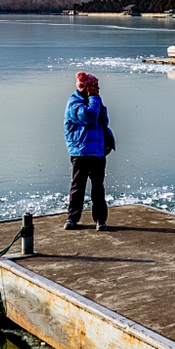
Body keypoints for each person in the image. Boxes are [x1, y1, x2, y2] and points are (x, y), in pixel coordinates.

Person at [63, 71, 114, 231]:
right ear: (87, 88)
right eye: (95, 86)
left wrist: (95, 100)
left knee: (98, 187)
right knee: (78, 187)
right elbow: (89, 116)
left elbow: (104, 120)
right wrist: (94, 98)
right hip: (81, 152)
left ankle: (100, 220)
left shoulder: (95, 101)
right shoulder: (74, 103)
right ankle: (72, 218)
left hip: (97, 152)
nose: (98, 89)